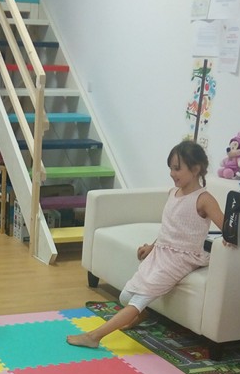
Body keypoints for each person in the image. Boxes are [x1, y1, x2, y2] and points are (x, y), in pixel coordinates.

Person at [67, 141, 225, 349]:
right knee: (125, 296)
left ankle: (94, 336)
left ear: (195, 169)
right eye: (170, 168)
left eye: (177, 168)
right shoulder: (173, 193)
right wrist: (152, 246)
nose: (172, 173)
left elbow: (226, 227)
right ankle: (143, 314)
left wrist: (230, 242)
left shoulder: (204, 199)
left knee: (138, 300)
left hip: (181, 258)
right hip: (161, 253)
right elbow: (169, 229)